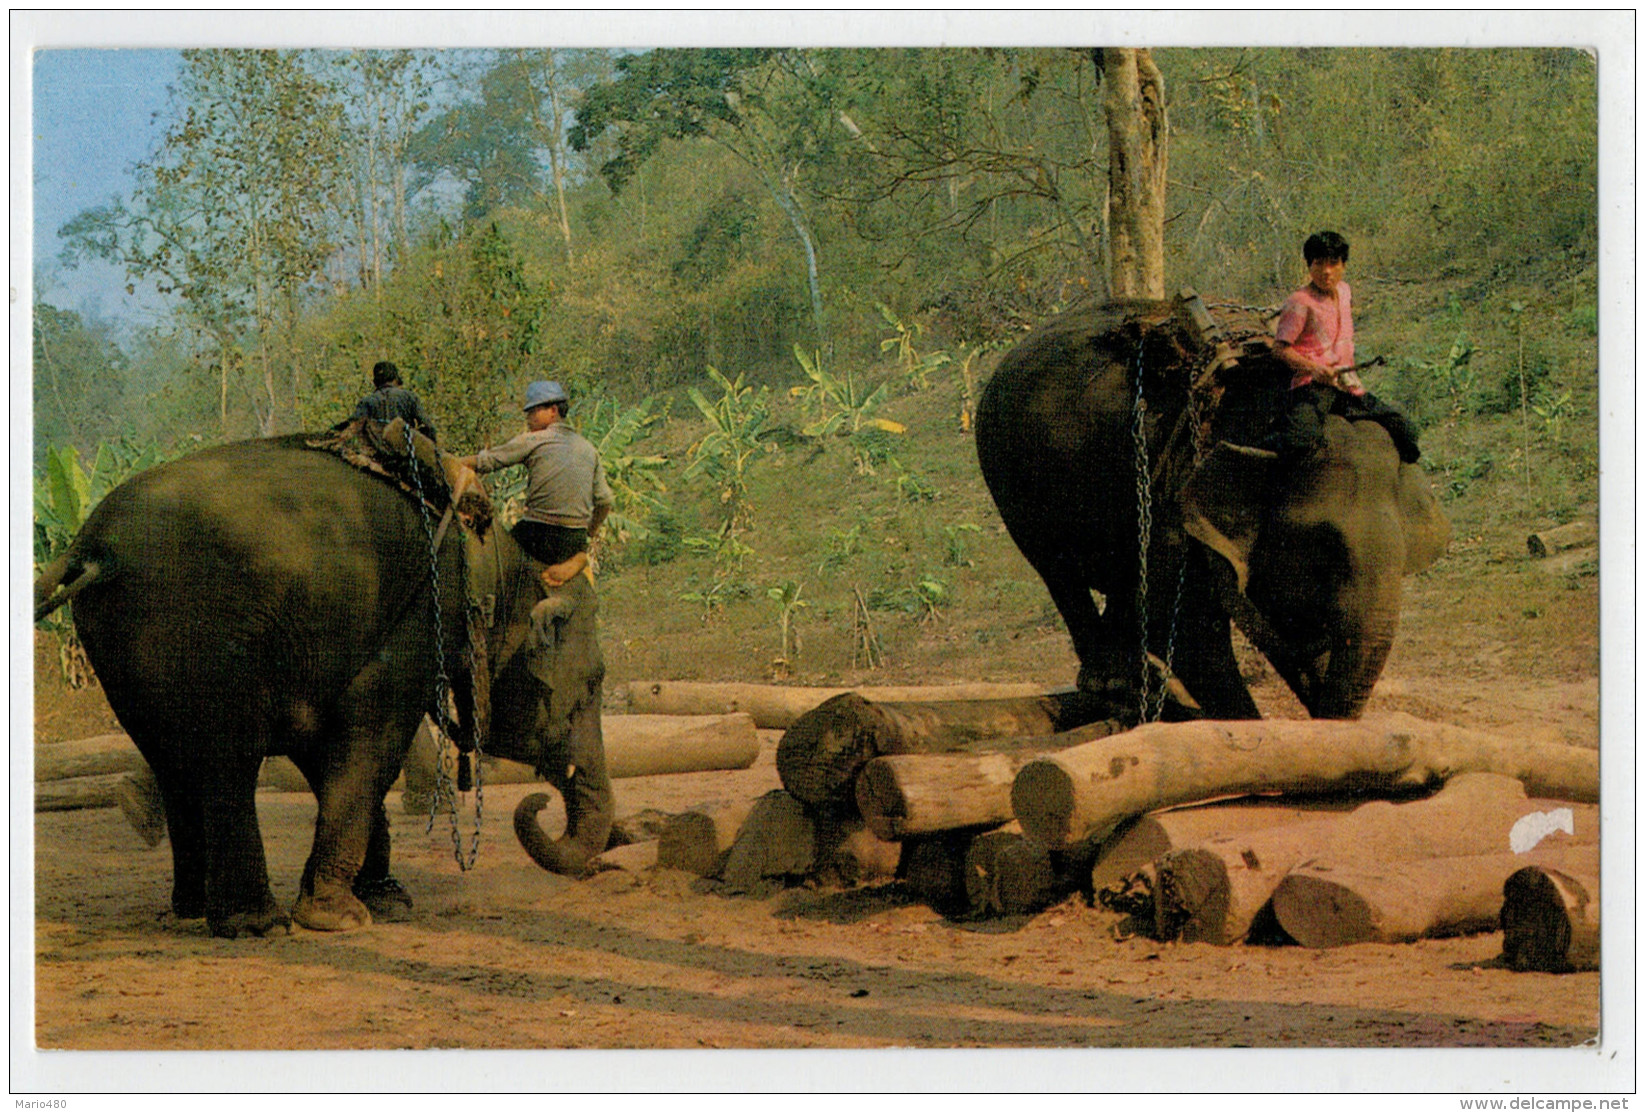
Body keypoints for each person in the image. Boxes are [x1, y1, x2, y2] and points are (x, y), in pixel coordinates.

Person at [1271, 231, 1421, 463]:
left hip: (1346, 386)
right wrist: (1314, 369)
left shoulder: (1345, 292)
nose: (1326, 271)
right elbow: (1280, 349)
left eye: (1333, 263)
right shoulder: (1299, 302)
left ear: (1343, 265)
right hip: (1311, 388)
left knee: (1405, 428)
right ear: (1309, 266)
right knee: (1299, 443)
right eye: (1318, 263)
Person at [457, 380, 613, 587]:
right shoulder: (588, 448)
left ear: (553, 410)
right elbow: (605, 500)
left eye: (533, 412)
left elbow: (487, 461)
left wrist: (449, 462)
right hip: (574, 540)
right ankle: (579, 558)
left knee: (491, 556)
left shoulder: (535, 439)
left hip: (539, 535)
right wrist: (589, 532)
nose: (528, 419)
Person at [348, 360, 438, 442]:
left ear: (375, 382)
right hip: (404, 451)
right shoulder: (409, 397)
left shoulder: (366, 402)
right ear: (396, 379)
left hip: (375, 452)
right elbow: (429, 427)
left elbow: (351, 428)